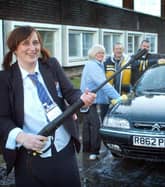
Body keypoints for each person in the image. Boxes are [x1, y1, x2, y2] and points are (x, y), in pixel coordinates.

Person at [0, 26, 96, 187]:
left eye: (36, 42)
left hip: (63, 146)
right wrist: (22, 137)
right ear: (15, 49)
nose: (33, 48)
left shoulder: (51, 65)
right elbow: (2, 118)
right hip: (29, 154)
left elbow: (70, 92)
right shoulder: (5, 78)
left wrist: (81, 98)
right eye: (25, 43)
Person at [80, 44, 121, 160]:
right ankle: (94, 152)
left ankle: (86, 149)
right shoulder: (93, 66)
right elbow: (103, 84)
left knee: (87, 125)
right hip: (89, 99)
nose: (101, 55)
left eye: (103, 53)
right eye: (98, 52)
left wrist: (105, 100)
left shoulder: (97, 65)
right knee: (96, 125)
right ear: (93, 54)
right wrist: (117, 98)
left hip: (88, 99)